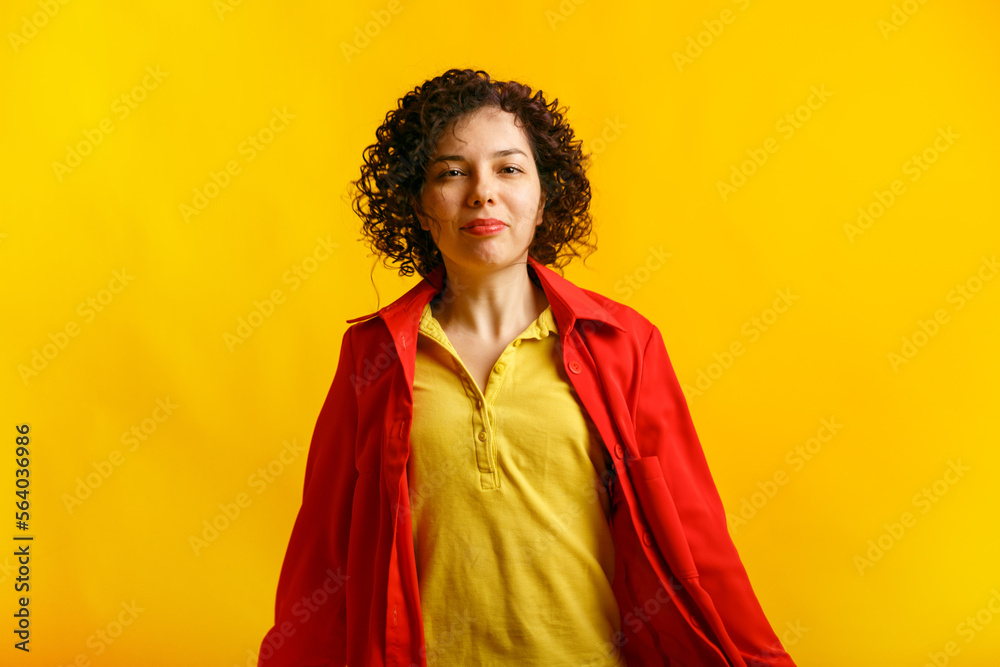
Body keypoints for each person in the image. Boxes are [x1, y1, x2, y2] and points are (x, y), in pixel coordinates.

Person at [258, 68, 797, 667]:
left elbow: (696, 541)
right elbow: (324, 561)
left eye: (509, 169)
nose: (482, 192)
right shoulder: (373, 354)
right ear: (418, 204)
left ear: (544, 200)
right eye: (452, 172)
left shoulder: (623, 344)